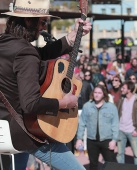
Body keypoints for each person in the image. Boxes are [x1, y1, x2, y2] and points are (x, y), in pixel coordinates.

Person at [0, 0, 91, 169]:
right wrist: (64, 103)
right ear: (28, 21)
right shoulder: (25, 52)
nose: (43, 27)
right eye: (42, 22)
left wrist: (71, 38)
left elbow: (37, 55)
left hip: (5, 131)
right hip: (27, 132)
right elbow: (30, 104)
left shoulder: (5, 43)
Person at [76, 85, 119, 170]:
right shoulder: (87, 106)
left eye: (99, 93)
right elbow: (82, 123)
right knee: (93, 165)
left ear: (103, 94)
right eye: (95, 92)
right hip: (92, 141)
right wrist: (79, 138)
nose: (97, 95)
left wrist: (114, 140)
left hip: (107, 140)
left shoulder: (111, 107)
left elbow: (115, 124)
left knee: (111, 164)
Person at [116, 81, 137, 165]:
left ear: (129, 89)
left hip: (133, 131)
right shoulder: (121, 99)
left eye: (123, 88)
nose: (121, 89)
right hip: (121, 130)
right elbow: (117, 113)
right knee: (120, 154)